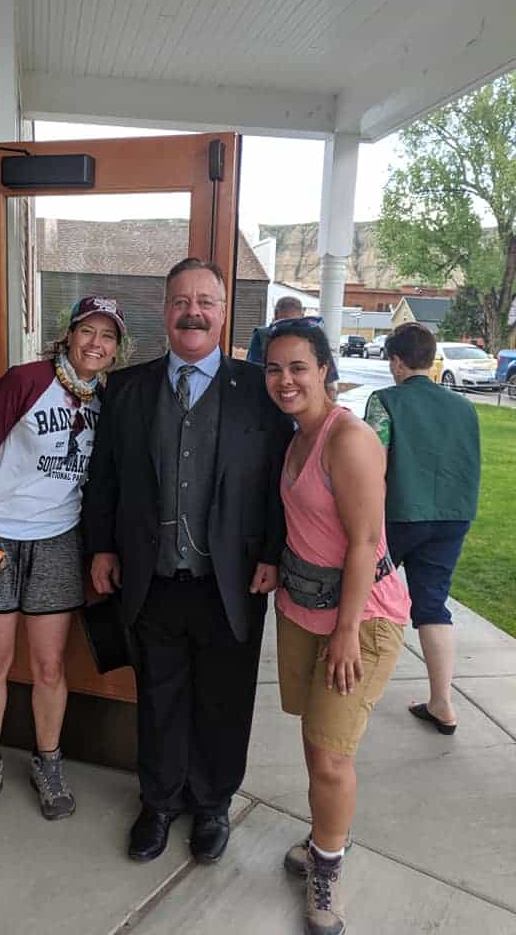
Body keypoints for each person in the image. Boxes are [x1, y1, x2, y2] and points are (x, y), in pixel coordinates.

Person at [83, 257, 293, 865]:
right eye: (181, 301)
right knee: (159, 696)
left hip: (232, 581)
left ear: (224, 313)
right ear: (165, 311)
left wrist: (275, 554)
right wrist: (101, 545)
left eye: (205, 301)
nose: (193, 311)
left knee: (224, 700)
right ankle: (158, 801)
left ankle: (211, 805)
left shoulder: (260, 390)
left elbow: (282, 480)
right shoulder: (128, 387)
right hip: (150, 580)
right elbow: (106, 477)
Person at [0, 296, 126, 828]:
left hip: (57, 541)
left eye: (108, 336)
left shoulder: (111, 399)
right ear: (69, 335)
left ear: (118, 349)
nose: (95, 344)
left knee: (50, 666)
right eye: (87, 332)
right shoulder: (25, 381)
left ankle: (48, 762)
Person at [264, 321, 409, 935]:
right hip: (301, 608)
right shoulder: (295, 436)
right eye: (274, 369)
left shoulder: (347, 438)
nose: (284, 380)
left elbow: (364, 542)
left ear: (324, 367)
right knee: (315, 739)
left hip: (360, 617)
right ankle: (325, 833)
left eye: (298, 366)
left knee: (330, 757)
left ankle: (327, 867)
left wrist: (347, 631)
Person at [365, 322, 480, 734]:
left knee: (363, 591)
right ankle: (442, 703)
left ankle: (347, 681)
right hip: (452, 516)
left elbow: (372, 465)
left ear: (396, 362)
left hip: (399, 515)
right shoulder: (464, 406)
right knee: (432, 605)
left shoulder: (385, 402)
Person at [247, 295, 339, 399]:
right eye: (284, 324)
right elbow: (253, 375)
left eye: (298, 368)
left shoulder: (315, 338)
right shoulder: (261, 336)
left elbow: (329, 384)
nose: (290, 331)